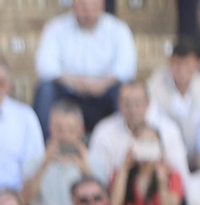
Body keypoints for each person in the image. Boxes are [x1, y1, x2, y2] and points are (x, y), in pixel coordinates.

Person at [33, 0, 137, 135]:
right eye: (83, 7)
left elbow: (127, 69)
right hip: (69, 90)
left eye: (93, 8)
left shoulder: (118, 29)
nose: (88, 13)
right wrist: (73, 82)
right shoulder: (55, 27)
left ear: (102, 6)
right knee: (45, 89)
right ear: (73, 6)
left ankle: (123, 141)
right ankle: (48, 143)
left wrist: (102, 84)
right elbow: (45, 67)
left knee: (124, 90)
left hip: (104, 91)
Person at [87, 81, 187, 187]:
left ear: (148, 103)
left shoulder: (169, 130)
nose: (133, 109)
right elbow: (98, 179)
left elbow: (181, 174)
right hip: (115, 190)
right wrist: (124, 167)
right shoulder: (103, 132)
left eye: (138, 103)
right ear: (119, 104)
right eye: (127, 104)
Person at [25, 102, 96, 205]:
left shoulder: (94, 162)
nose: (65, 135)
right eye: (58, 129)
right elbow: (25, 200)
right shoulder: (35, 162)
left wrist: (85, 171)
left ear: (81, 129)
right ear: (50, 128)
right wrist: (44, 164)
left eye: (70, 129)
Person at [146, 40, 200, 165]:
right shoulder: (155, 85)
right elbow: (151, 121)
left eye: (187, 63)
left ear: (196, 64)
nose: (182, 69)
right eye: (177, 63)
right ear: (169, 63)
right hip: (165, 158)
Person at [0, 60, 45, 196]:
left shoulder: (25, 116)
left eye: (1, 83)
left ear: (9, 86)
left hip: (16, 198)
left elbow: (34, 164)